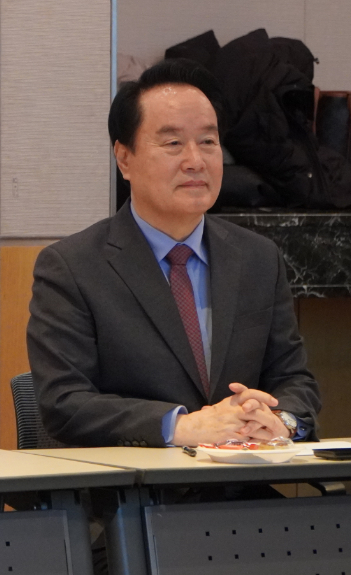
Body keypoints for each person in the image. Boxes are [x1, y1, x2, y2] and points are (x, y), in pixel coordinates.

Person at [26, 58, 321, 448]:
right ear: (124, 158)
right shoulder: (72, 267)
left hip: (242, 478)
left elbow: (294, 379)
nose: (195, 161)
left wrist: (281, 420)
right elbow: (65, 403)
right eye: (173, 144)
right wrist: (180, 427)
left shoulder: (257, 258)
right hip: (136, 483)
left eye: (208, 142)